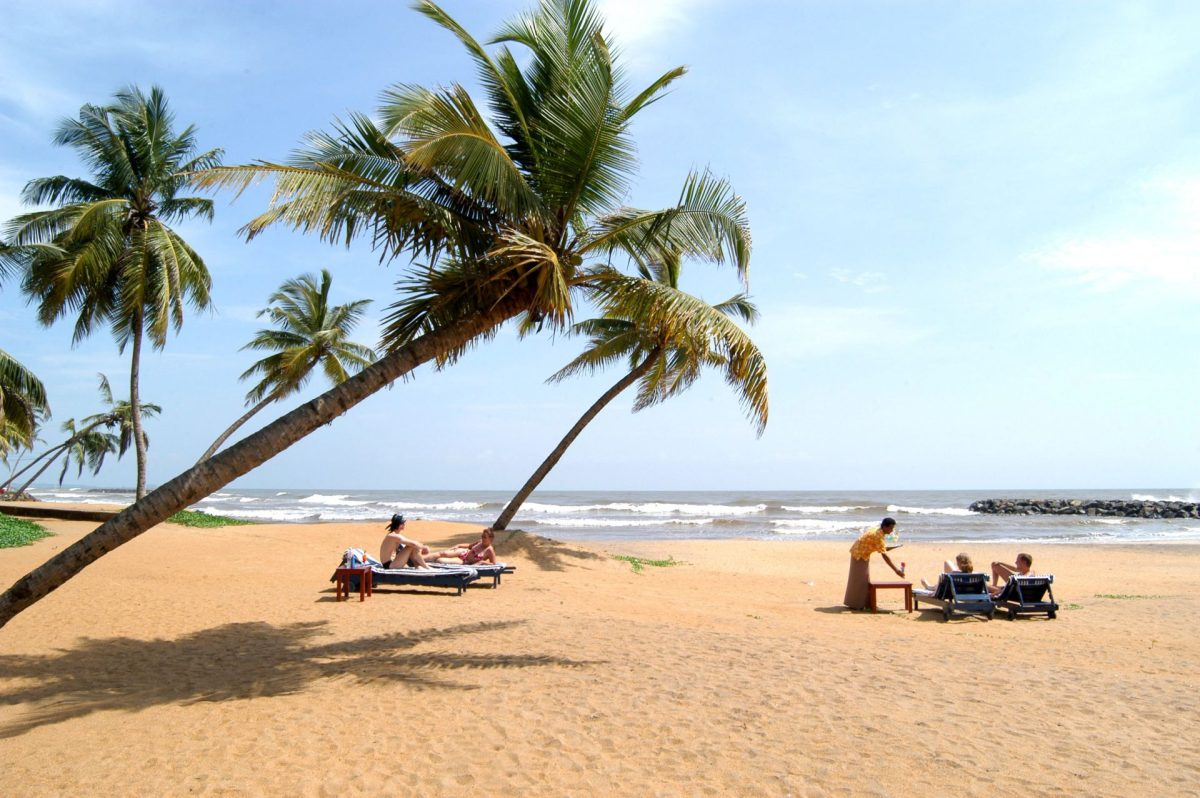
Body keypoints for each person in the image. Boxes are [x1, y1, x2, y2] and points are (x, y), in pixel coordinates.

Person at [843, 517, 906, 610]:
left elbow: (881, 547)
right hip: (859, 555)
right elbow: (884, 555)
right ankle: (856, 605)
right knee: (860, 580)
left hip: (861, 553)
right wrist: (896, 570)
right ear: (885, 526)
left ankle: (866, 604)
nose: (892, 531)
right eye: (891, 528)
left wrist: (894, 547)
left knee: (863, 579)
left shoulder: (878, 531)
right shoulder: (878, 536)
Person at [429, 527, 497, 565]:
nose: (482, 538)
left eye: (484, 537)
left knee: (440, 560)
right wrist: (458, 545)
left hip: (465, 561)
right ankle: (423, 558)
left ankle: (425, 561)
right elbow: (469, 545)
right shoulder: (480, 542)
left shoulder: (490, 550)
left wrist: (482, 562)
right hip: (464, 552)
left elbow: (493, 564)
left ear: (490, 539)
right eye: (482, 536)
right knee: (443, 553)